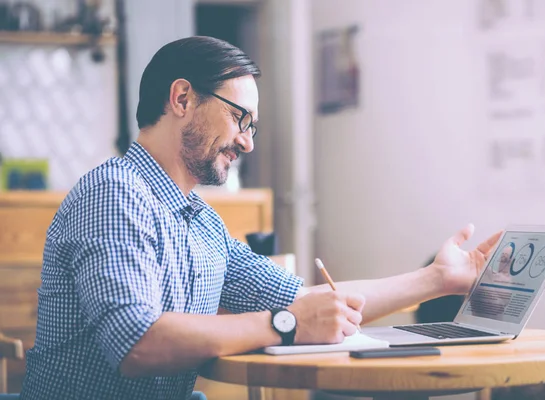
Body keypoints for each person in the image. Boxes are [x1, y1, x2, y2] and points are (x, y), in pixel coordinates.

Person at [21, 36, 501, 400]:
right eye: (239, 119)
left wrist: (438, 279)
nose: (248, 142)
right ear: (182, 99)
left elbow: (315, 302)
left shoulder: (202, 222)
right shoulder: (115, 193)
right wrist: (288, 323)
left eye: (253, 127)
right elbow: (136, 344)